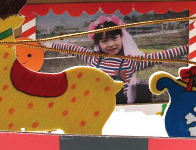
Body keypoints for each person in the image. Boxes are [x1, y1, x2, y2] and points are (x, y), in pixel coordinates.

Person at [52, 15, 188, 104]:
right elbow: (70, 48)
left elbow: (159, 56)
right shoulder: (93, 58)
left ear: (121, 37)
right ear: (97, 44)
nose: (111, 44)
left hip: (119, 106)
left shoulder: (130, 62)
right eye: (104, 41)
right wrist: (49, 45)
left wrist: (188, 47)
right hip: (94, 105)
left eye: (114, 38)